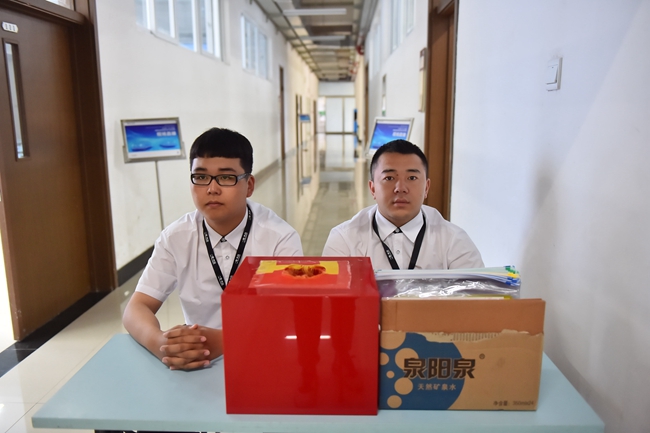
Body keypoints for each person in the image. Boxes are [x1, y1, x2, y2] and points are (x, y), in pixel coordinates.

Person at [123, 127, 303, 371]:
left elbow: (290, 316)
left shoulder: (279, 238)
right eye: (201, 177)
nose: (212, 189)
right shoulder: (176, 237)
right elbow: (136, 308)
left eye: (226, 178)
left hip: (265, 354)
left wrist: (227, 341)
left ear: (249, 185)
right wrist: (160, 343)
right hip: (198, 362)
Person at [322, 139, 483, 270]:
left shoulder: (454, 240)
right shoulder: (344, 239)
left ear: (426, 188)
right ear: (373, 188)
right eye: (389, 178)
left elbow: (475, 298)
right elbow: (332, 296)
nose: (400, 188)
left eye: (412, 178)